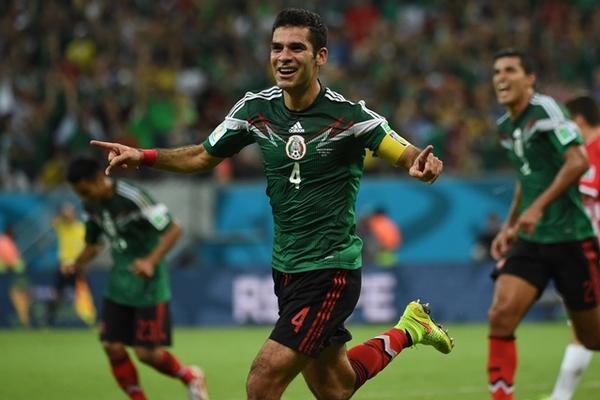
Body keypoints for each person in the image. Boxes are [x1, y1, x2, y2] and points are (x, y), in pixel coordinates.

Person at [89, 8, 453, 400]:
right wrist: (142, 156)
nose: (284, 56)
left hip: (330, 269)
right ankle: (410, 329)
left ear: (321, 57)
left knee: (261, 383)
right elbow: (201, 155)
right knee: (335, 387)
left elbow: (404, 151)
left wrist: (421, 162)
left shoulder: (349, 117)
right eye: (277, 47)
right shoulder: (254, 110)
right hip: (286, 269)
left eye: (296, 47)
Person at [487, 48, 600, 400]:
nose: (501, 78)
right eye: (496, 72)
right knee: (501, 315)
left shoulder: (547, 111)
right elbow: (527, 176)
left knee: (591, 338)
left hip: (571, 237)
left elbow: (578, 160)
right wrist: (510, 224)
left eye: (510, 70)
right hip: (532, 239)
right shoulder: (505, 127)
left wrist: (536, 208)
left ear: (529, 78)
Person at [62, 157, 208, 400]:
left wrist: (150, 261)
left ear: (99, 179)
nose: (83, 198)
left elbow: (174, 229)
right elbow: (93, 244)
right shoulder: (90, 205)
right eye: (79, 193)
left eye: (85, 191)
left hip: (148, 284)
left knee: (146, 354)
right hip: (119, 283)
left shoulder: (132, 196)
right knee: (111, 345)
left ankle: (190, 377)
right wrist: (75, 264)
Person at [544, 95, 600, 400]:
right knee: (584, 326)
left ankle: (560, 397)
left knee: (583, 326)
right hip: (589, 249)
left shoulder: (591, 150)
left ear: (578, 121)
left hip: (592, 248)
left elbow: (584, 191)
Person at [47, 201, 97, 327]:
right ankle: (49, 321)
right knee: (58, 294)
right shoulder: (62, 227)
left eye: (71, 213)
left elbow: (89, 245)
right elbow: (53, 222)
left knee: (84, 294)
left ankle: (90, 321)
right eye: (67, 213)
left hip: (78, 266)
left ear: (75, 214)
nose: (69, 215)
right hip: (64, 266)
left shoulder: (81, 227)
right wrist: (62, 212)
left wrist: (83, 263)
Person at [0, 226, 30, 326]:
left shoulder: (4, 241)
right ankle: (23, 319)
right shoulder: (5, 242)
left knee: (18, 297)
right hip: (15, 273)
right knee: (19, 297)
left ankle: (23, 320)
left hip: (13, 273)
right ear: (10, 233)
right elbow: (11, 259)